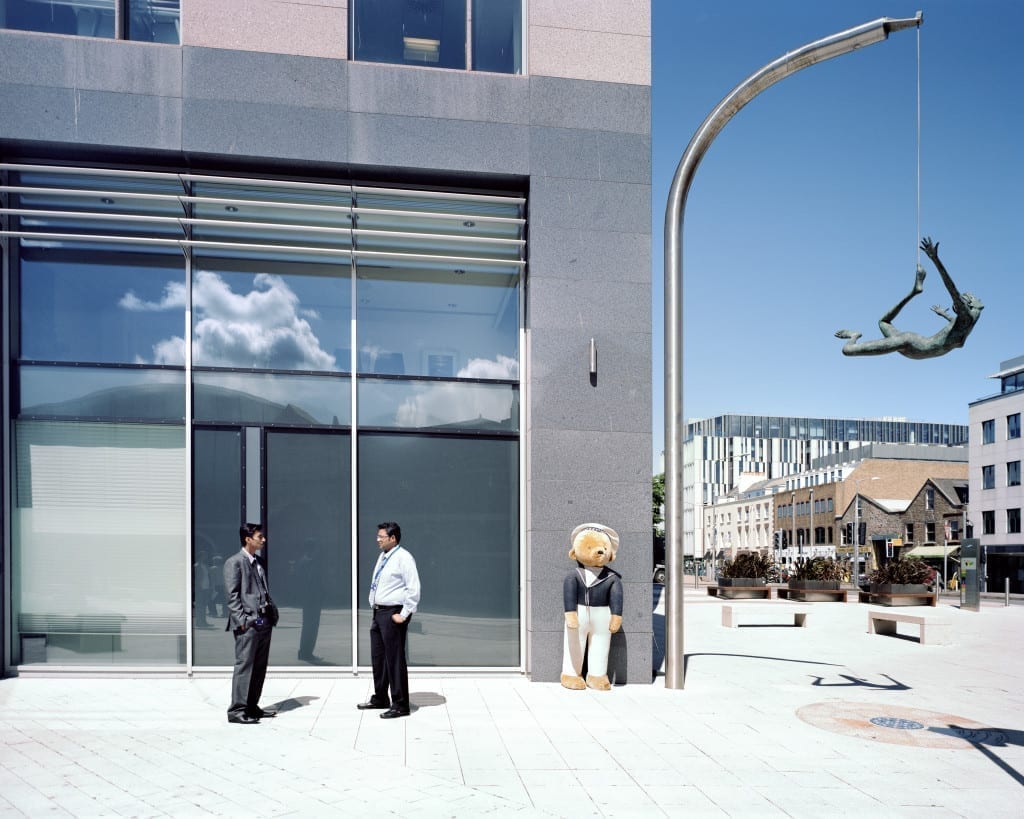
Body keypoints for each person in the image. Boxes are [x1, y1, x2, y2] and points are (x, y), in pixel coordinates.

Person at [835, 237, 983, 359]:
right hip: (916, 347)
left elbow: (953, 291)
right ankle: (915, 291)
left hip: (914, 344)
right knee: (883, 323)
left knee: (848, 350)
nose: (962, 300)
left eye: (967, 297)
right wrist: (943, 313)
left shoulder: (966, 319)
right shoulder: (965, 323)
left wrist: (935, 259)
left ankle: (854, 335)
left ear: (969, 304)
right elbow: (953, 302)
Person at [357, 521, 420, 719]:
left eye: (381, 537)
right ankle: (381, 697)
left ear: (392, 538)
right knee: (379, 658)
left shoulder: (404, 558)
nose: (377, 540)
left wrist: (403, 614)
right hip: (379, 613)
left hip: (393, 613)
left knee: (394, 659)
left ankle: (400, 704)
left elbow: (413, 588)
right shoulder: (384, 556)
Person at [224, 523, 277, 725]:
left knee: (259, 666)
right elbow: (232, 596)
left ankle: (252, 706)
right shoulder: (234, 562)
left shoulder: (260, 562)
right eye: (259, 536)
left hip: (264, 621)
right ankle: (237, 710)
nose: (263, 540)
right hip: (248, 623)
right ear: (248, 539)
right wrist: (243, 621)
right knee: (244, 666)